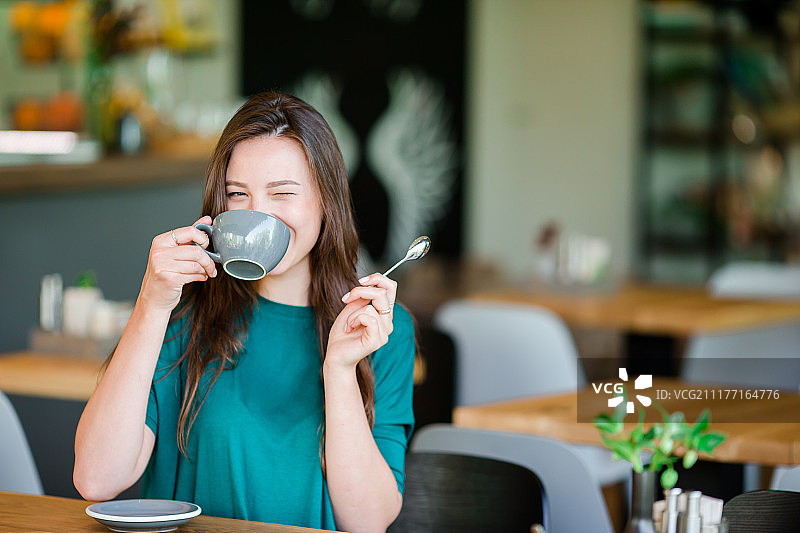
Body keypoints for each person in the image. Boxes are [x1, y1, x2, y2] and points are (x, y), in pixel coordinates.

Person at [73, 92, 416, 533]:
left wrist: (340, 370)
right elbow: (97, 478)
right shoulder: (183, 311)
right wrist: (151, 304)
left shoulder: (377, 326)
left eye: (282, 193)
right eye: (239, 194)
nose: (258, 215)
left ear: (326, 202)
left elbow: (367, 522)